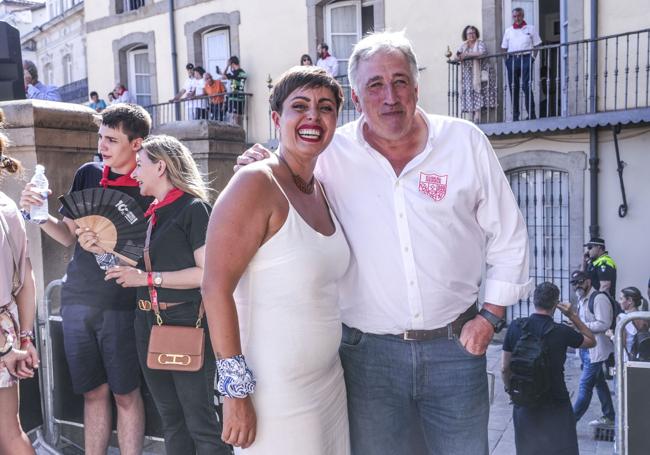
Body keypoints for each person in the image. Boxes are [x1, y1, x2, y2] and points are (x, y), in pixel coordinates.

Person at [235, 31, 531, 455]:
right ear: (356, 95)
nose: (389, 95)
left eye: (399, 81)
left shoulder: (465, 142)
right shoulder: (330, 152)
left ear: (416, 86)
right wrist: (257, 161)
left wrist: (490, 317)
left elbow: (509, 238)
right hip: (367, 357)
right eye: (375, 84)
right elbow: (285, 171)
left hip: (455, 349)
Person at [202, 66, 350, 454]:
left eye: (326, 108)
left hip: (329, 383)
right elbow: (215, 287)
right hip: (273, 393)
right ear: (276, 118)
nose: (313, 117)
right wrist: (235, 393)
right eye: (299, 106)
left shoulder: (321, 187)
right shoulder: (255, 182)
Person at [19, 103, 152, 455]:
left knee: (126, 393)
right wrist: (39, 215)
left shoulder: (149, 184)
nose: (102, 146)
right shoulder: (89, 173)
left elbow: (144, 257)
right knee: (92, 392)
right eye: (100, 137)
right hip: (77, 299)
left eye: (111, 139)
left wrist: (104, 252)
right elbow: (67, 236)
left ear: (136, 144)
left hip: (123, 306)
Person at [104, 135, 231, 455]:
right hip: (148, 322)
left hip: (185, 322)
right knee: (171, 420)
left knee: (200, 421)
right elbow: (138, 268)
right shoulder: (154, 212)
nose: (134, 174)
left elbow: (205, 275)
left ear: (161, 166)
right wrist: (101, 248)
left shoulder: (194, 208)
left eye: (141, 165)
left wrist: (146, 279)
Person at [502, 282, 595, 455]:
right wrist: (572, 315)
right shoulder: (561, 332)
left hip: (524, 400)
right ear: (555, 304)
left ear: (533, 301)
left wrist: (511, 390)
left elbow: (504, 368)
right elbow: (591, 340)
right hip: (556, 403)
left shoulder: (515, 326)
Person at [0, 108, 39, 455]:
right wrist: (23, 339)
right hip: (8, 329)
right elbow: (25, 279)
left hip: (3, 339)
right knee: (11, 433)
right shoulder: (8, 206)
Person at [569, 270, 616, 426]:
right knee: (599, 383)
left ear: (588, 281)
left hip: (596, 350)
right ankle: (609, 415)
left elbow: (604, 324)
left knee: (584, 387)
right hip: (586, 349)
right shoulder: (583, 299)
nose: (577, 286)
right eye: (574, 283)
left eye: (580, 282)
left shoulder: (599, 298)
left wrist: (580, 326)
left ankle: (569, 422)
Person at [501, 7, 541, 121]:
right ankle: (515, 116)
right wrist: (507, 61)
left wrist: (532, 58)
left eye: (519, 15)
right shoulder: (508, 31)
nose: (517, 18)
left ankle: (531, 114)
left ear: (523, 16)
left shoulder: (531, 28)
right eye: (515, 16)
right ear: (513, 17)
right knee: (513, 88)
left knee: (526, 87)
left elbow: (537, 45)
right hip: (512, 60)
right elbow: (503, 48)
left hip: (526, 58)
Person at [456, 25, 496, 123]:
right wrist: (460, 56)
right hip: (467, 73)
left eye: (473, 33)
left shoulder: (480, 43)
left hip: (479, 72)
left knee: (478, 90)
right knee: (469, 92)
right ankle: (471, 115)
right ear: (466, 35)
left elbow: (482, 52)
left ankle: (477, 115)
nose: (471, 35)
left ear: (476, 34)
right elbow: (457, 56)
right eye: (469, 33)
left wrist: (467, 55)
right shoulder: (463, 46)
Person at [606, 286, 649, 362]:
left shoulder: (622, 318)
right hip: (641, 359)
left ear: (630, 300)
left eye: (621, 299)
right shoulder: (645, 316)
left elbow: (621, 344)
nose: (619, 302)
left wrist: (611, 336)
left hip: (627, 360)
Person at [224, 56, 247, 122]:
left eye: (230, 64)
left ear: (232, 63)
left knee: (236, 117)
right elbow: (224, 76)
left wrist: (227, 66)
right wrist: (227, 66)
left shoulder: (238, 72)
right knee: (236, 117)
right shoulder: (239, 72)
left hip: (236, 97)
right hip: (236, 97)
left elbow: (224, 76)